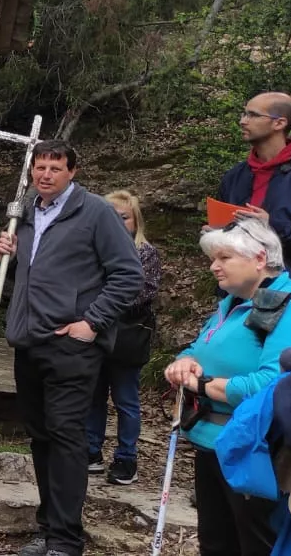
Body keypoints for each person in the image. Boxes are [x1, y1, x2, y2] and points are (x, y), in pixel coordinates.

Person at [0, 140, 142, 556]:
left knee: (66, 436)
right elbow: (13, 264)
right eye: (40, 167)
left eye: (55, 168)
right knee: (40, 436)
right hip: (28, 341)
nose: (45, 174)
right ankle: (48, 525)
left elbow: (129, 275)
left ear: (72, 172)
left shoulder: (96, 213)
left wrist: (91, 322)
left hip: (71, 346)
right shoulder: (24, 213)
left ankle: (65, 539)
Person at [163, 217, 291, 556]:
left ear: (259, 259)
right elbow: (200, 347)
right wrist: (184, 360)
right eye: (213, 258)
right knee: (217, 544)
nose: (214, 267)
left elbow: (276, 387)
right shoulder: (232, 305)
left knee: (257, 546)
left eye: (224, 258)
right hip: (215, 446)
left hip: (262, 454)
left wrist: (203, 384)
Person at [219, 92, 291, 303]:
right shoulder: (235, 176)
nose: (243, 121)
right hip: (239, 295)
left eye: (252, 115)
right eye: (244, 114)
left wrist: (272, 225)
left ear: (279, 123)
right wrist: (215, 236)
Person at [86, 190, 164, 485]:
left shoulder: (145, 252)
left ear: (135, 220)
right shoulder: (94, 247)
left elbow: (142, 293)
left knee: (125, 399)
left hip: (128, 336)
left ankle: (126, 457)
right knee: (93, 396)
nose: (118, 222)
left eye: (124, 217)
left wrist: (102, 302)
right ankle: (91, 450)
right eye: (112, 216)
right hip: (95, 334)